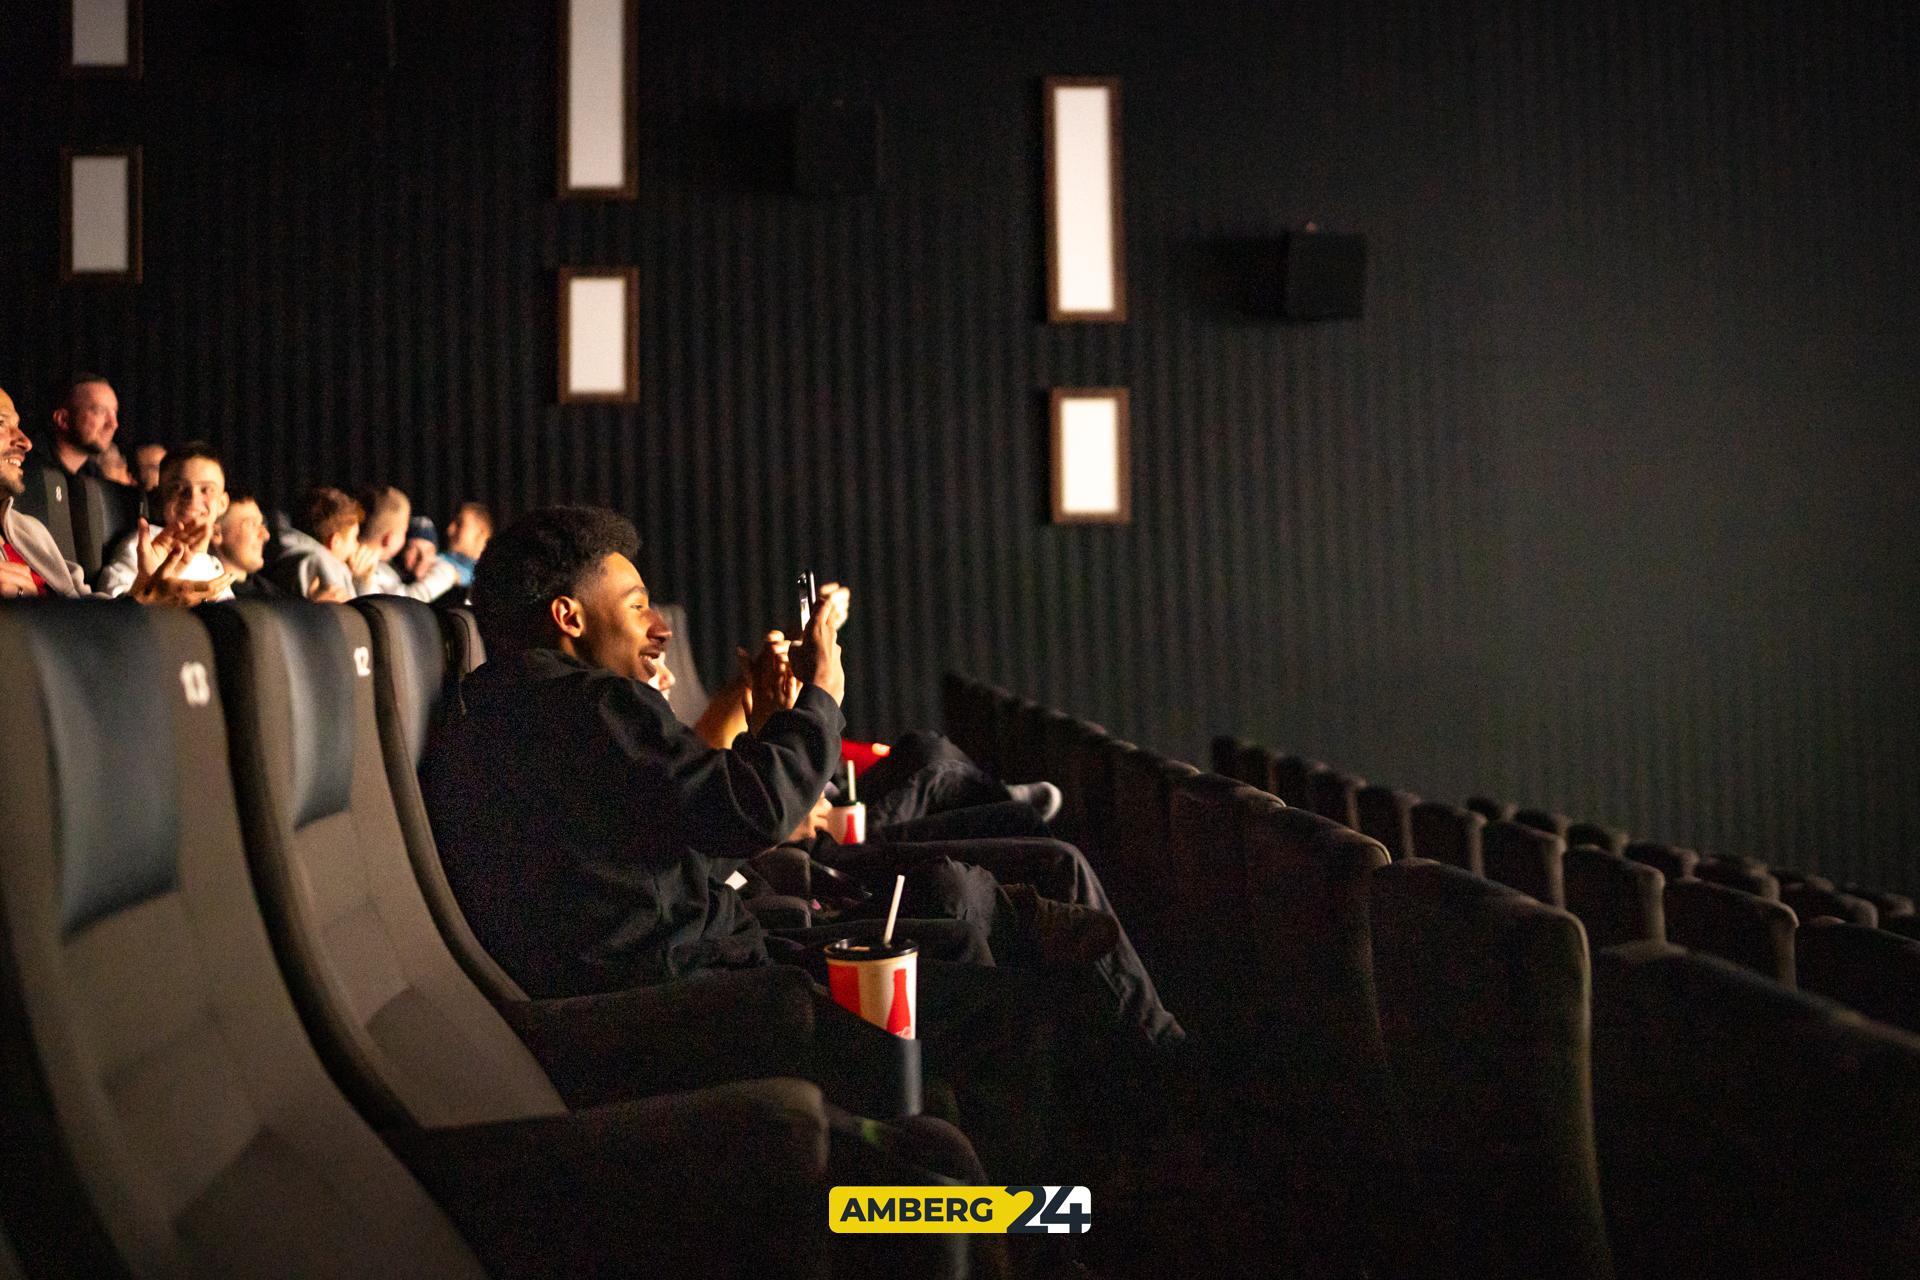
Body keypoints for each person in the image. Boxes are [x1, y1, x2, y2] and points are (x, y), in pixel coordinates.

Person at [14, 373, 144, 575]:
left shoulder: (95, 478)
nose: (113, 423)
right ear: (63, 419)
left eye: (114, 413)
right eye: (100, 412)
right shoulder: (25, 470)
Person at [96, 443, 235, 601]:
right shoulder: (142, 547)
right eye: (178, 487)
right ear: (159, 498)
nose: (192, 498)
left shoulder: (212, 564)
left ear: (223, 503)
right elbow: (109, 611)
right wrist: (149, 591)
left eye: (207, 489)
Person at [269, 486, 376, 601]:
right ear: (335, 542)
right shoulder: (322, 565)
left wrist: (362, 580)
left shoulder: (285, 555)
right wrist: (364, 584)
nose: (357, 545)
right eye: (354, 538)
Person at [357, 485, 459, 601]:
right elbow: (403, 603)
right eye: (404, 532)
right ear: (389, 539)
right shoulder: (372, 571)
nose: (422, 557)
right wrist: (446, 574)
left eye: (430, 551)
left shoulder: (381, 568)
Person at [213, 492, 283, 598]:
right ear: (216, 533)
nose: (265, 535)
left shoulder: (276, 598)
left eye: (262, 524)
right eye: (251, 524)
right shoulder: (194, 594)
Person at [440, 501, 492, 587]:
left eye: (459, 524)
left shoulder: (498, 577)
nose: (449, 530)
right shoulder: (436, 561)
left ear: (481, 533)